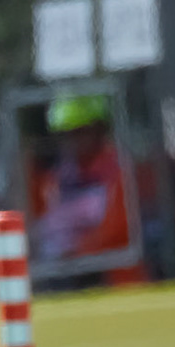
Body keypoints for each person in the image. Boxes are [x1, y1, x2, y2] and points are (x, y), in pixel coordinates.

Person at [31, 95, 145, 283]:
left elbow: (118, 229)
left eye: (80, 132)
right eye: (67, 134)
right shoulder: (59, 176)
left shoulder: (120, 170)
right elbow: (43, 222)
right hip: (64, 275)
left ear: (98, 130)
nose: (72, 141)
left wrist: (77, 252)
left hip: (115, 276)